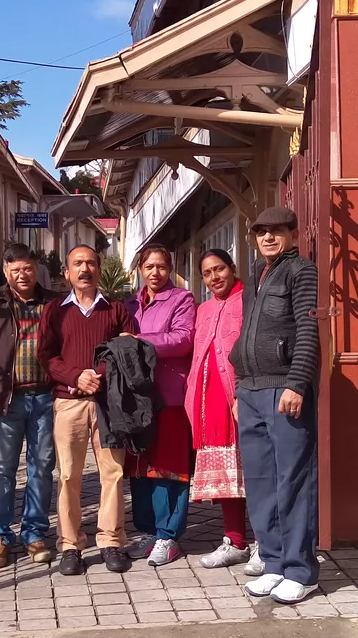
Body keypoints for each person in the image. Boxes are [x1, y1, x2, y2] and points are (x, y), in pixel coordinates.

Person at [229, 206, 320, 605]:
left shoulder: (301, 271)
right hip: (250, 391)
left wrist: (297, 383)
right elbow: (246, 332)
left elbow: (308, 328)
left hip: (284, 389)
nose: (267, 237)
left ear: (293, 234)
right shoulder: (255, 275)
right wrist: (239, 386)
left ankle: (301, 571)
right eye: (260, 231)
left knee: (293, 481)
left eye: (276, 230)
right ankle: (274, 562)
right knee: (261, 482)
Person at [38, 245, 136, 576]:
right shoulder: (54, 311)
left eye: (91, 263)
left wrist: (97, 376)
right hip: (69, 403)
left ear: (99, 270)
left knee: (113, 473)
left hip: (110, 403)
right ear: (66, 272)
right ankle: (70, 545)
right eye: (77, 263)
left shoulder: (116, 310)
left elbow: (127, 353)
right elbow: (46, 356)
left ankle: (111, 541)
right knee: (69, 475)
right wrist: (75, 377)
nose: (85, 269)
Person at [0, 242, 60, 568]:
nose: (23, 275)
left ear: (36, 269)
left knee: (42, 468)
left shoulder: (52, 303)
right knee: (3, 470)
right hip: (7, 399)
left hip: (46, 398)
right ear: (6, 272)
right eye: (16, 269)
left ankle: (34, 533)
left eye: (28, 268)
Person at [185, 247, 261, 574]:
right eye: (207, 273)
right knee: (228, 476)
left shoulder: (250, 300)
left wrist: (245, 393)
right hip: (209, 403)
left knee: (256, 472)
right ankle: (235, 541)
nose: (214, 277)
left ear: (232, 267)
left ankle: (265, 543)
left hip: (242, 398)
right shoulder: (202, 309)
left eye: (219, 269)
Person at [125, 245, 195, 567]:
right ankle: (149, 530)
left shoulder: (181, 299)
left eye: (162, 267)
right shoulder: (130, 304)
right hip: (137, 397)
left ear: (170, 269)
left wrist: (141, 341)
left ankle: (169, 535)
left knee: (169, 466)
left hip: (169, 395)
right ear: (140, 269)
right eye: (149, 266)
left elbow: (183, 338)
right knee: (141, 465)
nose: (155, 273)